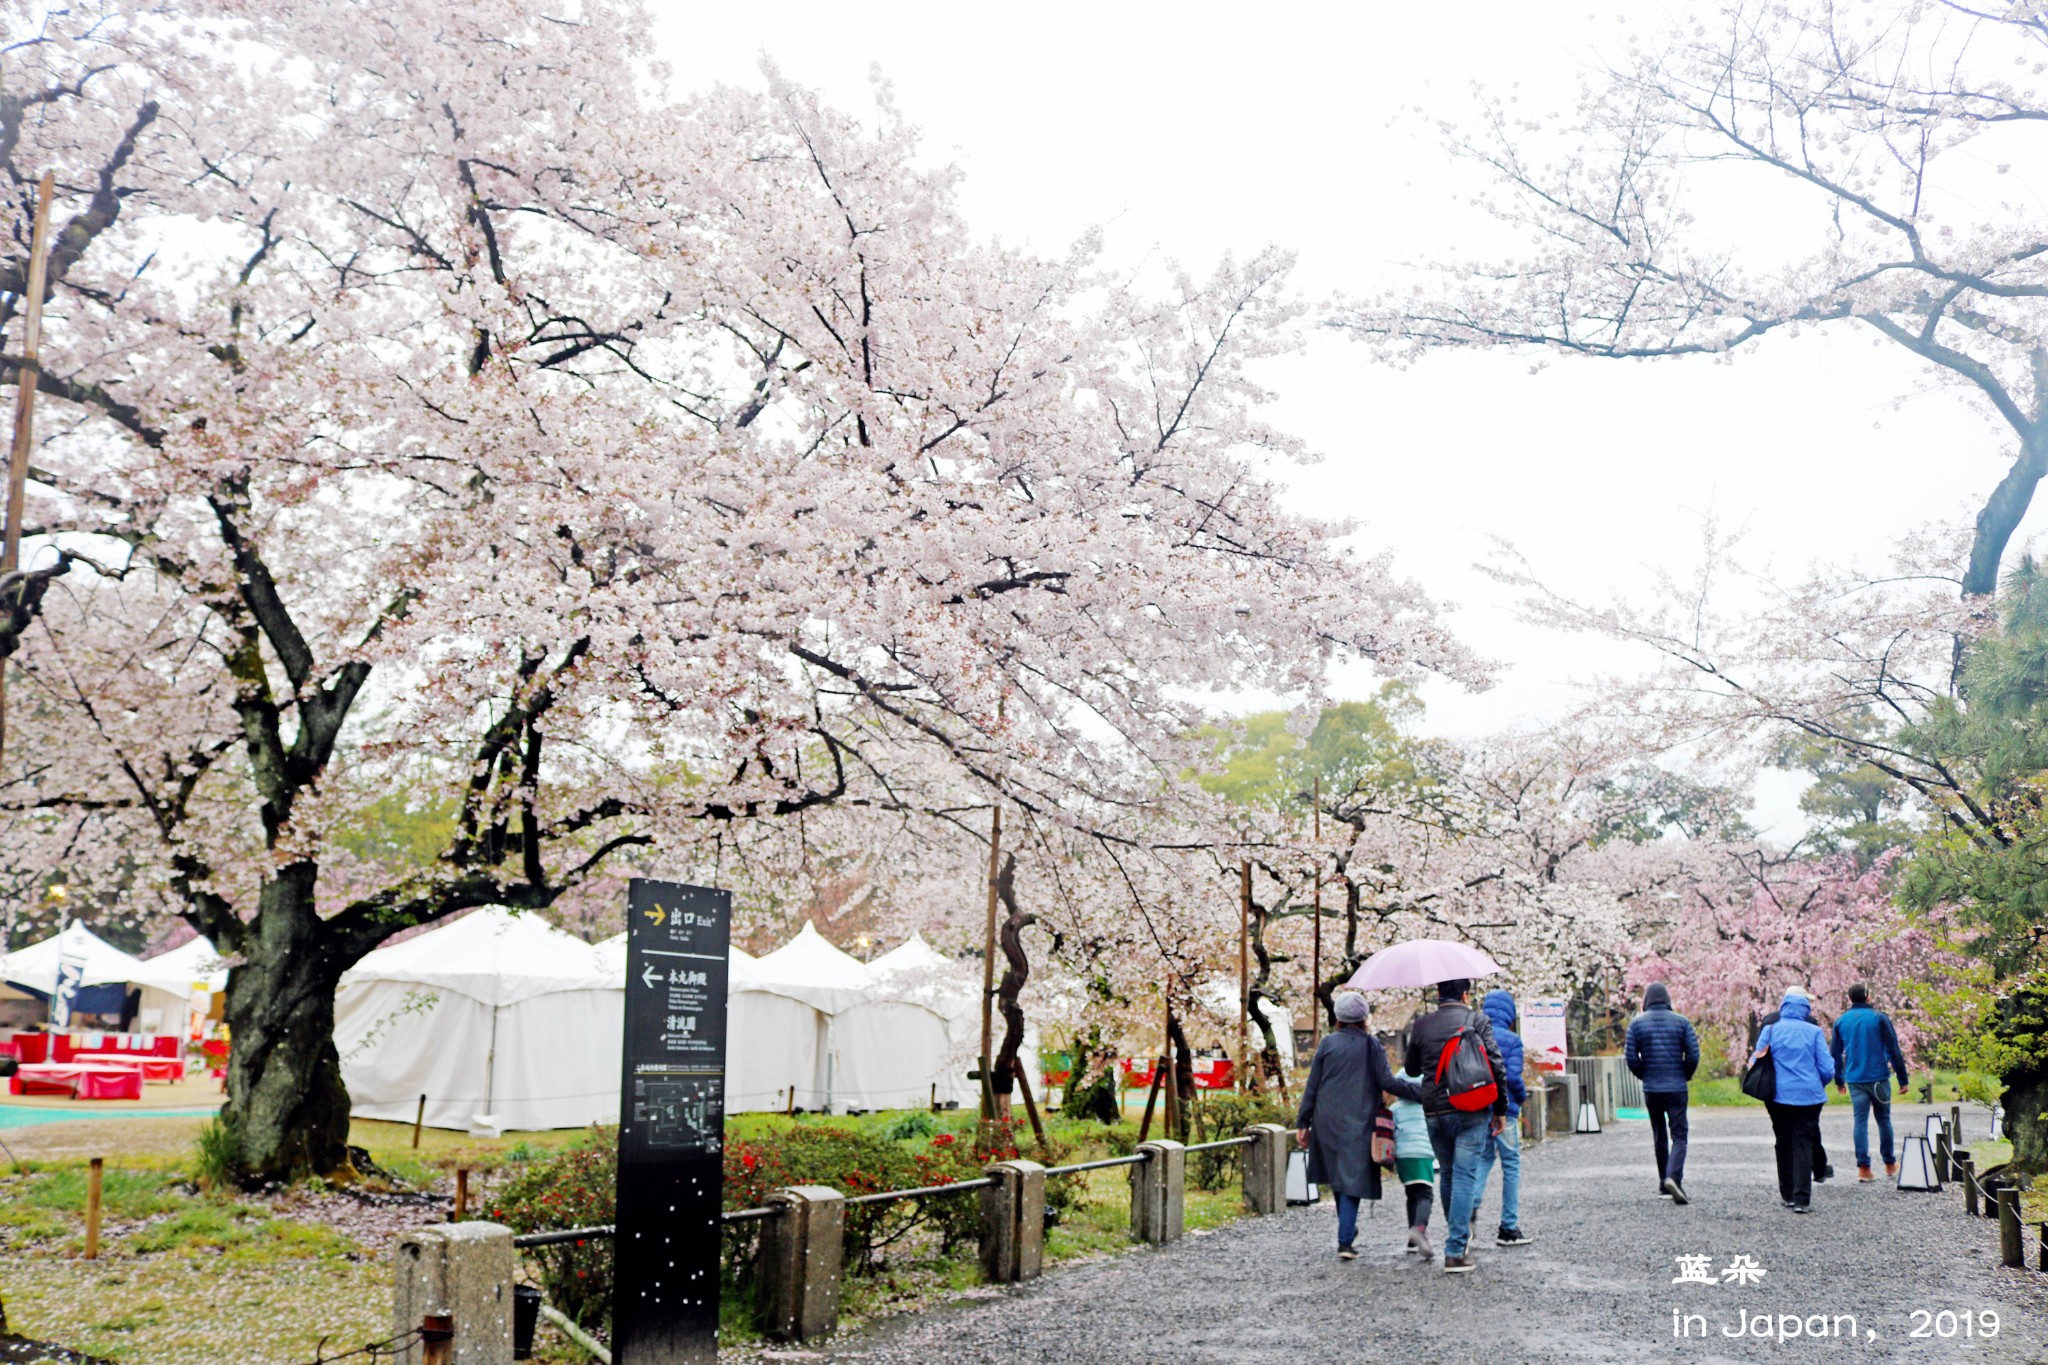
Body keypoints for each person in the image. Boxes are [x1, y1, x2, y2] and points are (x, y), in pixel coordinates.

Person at [1296, 990, 1424, 1260]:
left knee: (1341, 1178)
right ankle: (1344, 1240)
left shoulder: (1327, 1044)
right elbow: (1387, 1083)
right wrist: (1421, 1092)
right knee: (1351, 1179)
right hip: (1359, 1120)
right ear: (1364, 1018)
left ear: (1339, 1018)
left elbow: (1313, 1084)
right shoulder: (1371, 1045)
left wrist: (1303, 1122)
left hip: (1326, 1119)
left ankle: (1347, 1231)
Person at [1405, 978, 1509, 1273]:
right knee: (1464, 1176)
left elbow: (1411, 1068)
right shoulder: (1477, 1019)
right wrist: (1500, 1109)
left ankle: (1457, 1242)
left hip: (1435, 1111)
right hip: (1471, 1108)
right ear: (1465, 994)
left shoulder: (1423, 1024)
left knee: (1448, 1174)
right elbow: (1496, 1064)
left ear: (1438, 994)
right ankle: (1455, 1251)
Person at [1750, 987, 1836, 1213]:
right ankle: (1802, 1200)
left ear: (1784, 1007)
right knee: (1803, 1143)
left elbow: (1755, 1061)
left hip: (1777, 1096)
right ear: (1805, 1009)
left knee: (1783, 1141)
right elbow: (1827, 1068)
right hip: (1809, 1097)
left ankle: (1787, 1194)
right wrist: (1818, 1083)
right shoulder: (1814, 1031)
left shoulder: (1770, 1030)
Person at [1468, 988, 1535, 1246]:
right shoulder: (1511, 1040)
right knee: (1511, 1165)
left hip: (1478, 1107)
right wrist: (1522, 1097)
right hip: (1504, 1110)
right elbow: (1513, 1077)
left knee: (1483, 1159)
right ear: (1509, 1012)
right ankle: (1508, 1226)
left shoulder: (1475, 1035)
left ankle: (1470, 1211)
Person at [1624, 982, 1700, 1204]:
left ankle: (1663, 1182)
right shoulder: (1682, 1022)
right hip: (1676, 1087)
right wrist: (1684, 1074)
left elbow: (1631, 1058)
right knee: (1679, 1135)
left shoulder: (1636, 1024)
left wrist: (1645, 1075)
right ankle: (1673, 1177)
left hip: (1652, 1088)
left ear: (1646, 1000)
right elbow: (1693, 1056)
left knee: (1659, 1134)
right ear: (1667, 999)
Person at [1830, 983, 1911, 1181]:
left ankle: (1864, 1169)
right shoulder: (1879, 1018)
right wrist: (1903, 1079)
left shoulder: (1841, 1022)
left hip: (1855, 1079)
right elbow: (1893, 1049)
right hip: (1879, 1078)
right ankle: (1890, 1164)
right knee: (1884, 1120)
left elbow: (1835, 1054)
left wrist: (1839, 1080)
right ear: (1867, 996)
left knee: (1860, 1122)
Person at [1389, 1062, 1437, 1260]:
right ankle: (1419, 1228)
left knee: (1412, 1194)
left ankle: (1411, 1240)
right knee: (1425, 1195)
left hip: (1403, 1157)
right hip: (1422, 1154)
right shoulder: (1426, 1108)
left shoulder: (1395, 1109)